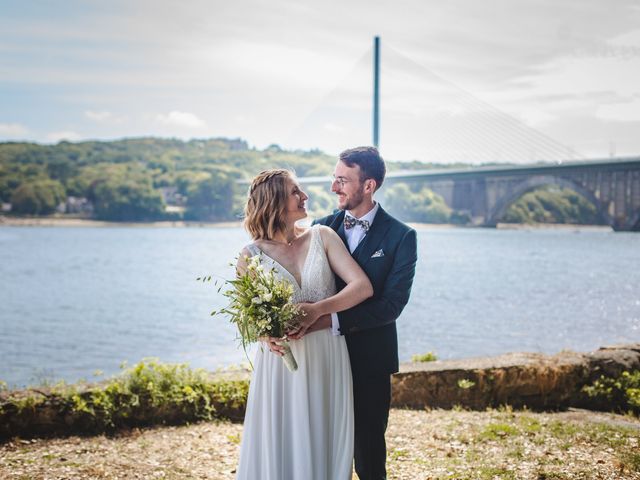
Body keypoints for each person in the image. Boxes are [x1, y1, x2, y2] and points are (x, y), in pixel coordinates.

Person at [235, 169, 373, 480]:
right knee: (282, 437)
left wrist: (318, 310)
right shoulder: (250, 255)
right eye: (295, 192)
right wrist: (264, 337)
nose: (305, 197)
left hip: (327, 354)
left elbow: (361, 287)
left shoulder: (322, 236)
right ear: (274, 202)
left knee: (326, 432)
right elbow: (248, 322)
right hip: (281, 365)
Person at [309, 146, 418, 480]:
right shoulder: (319, 228)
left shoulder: (402, 236)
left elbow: (391, 306)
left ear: (368, 186)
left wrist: (330, 319)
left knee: (369, 453)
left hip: (370, 360)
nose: (333, 188)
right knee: (321, 445)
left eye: (342, 180)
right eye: (334, 179)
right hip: (322, 355)